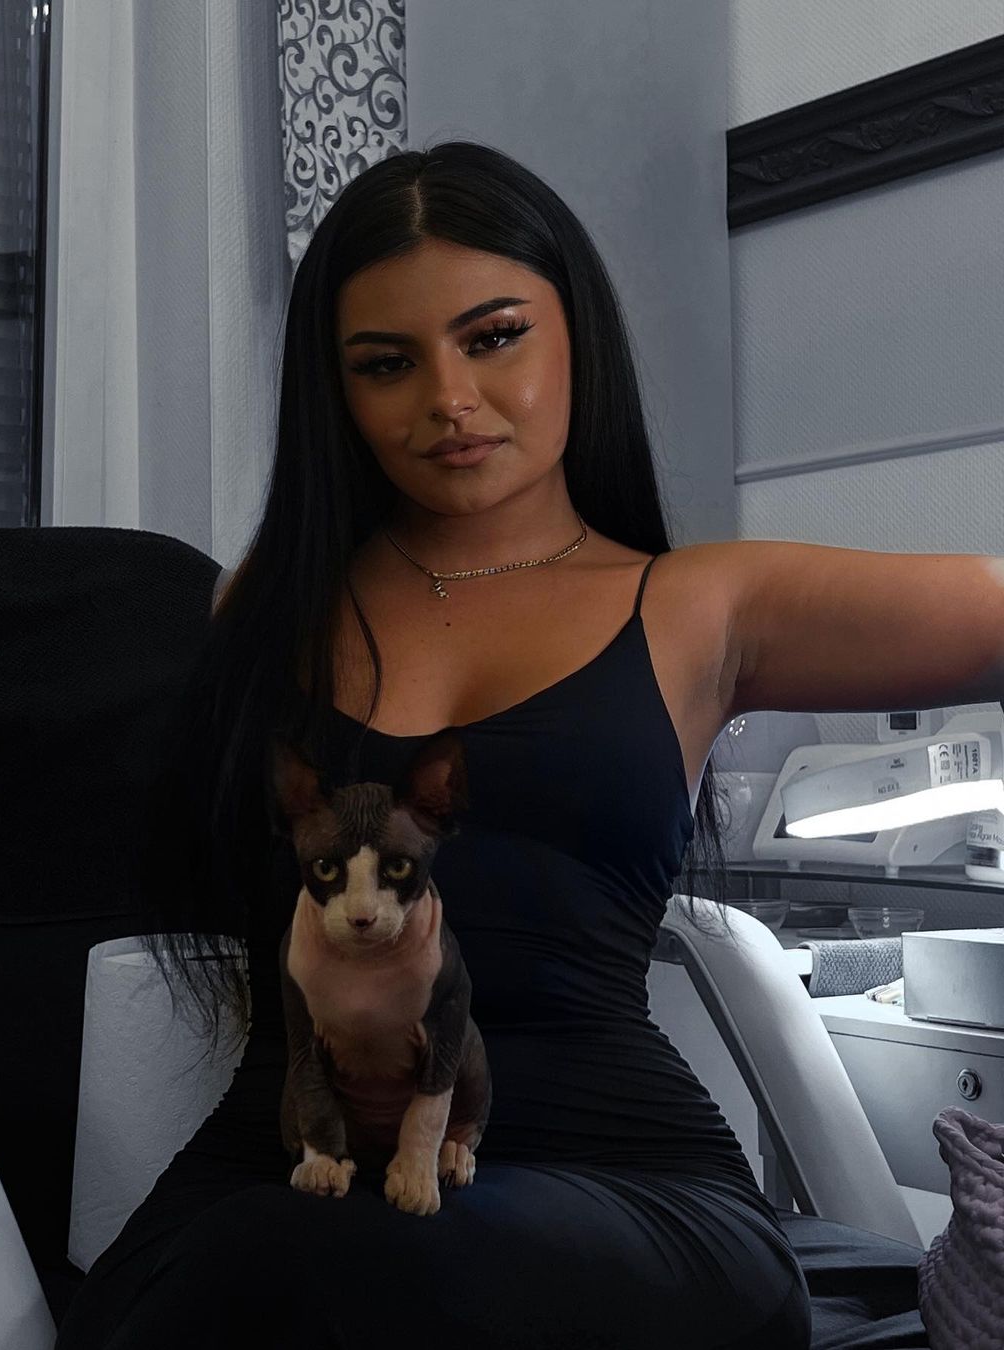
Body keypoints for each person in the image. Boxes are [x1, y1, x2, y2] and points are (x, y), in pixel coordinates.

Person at [55, 139, 813, 1348]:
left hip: (626, 1185)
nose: (448, 398)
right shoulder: (262, 608)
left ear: (577, 334)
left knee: (362, 1270)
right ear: (337, 392)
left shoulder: (706, 601)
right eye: (386, 363)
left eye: (495, 336)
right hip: (281, 1185)